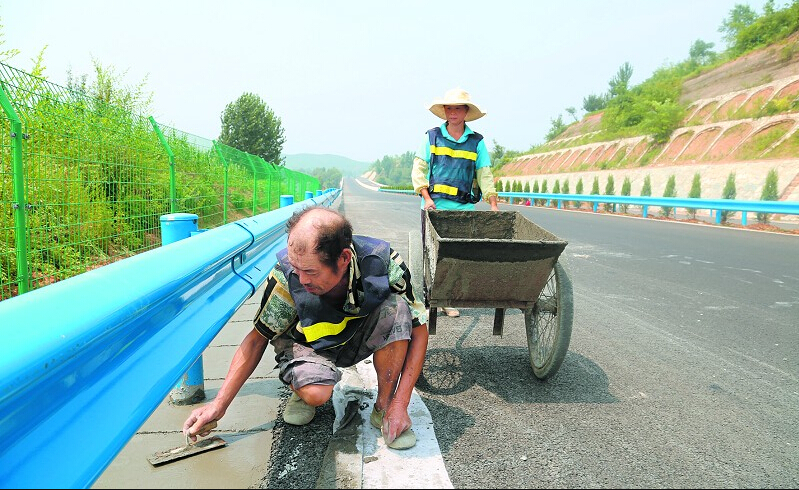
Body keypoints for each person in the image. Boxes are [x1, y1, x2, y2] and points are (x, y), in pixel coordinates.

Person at [183, 206, 429, 450]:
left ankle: (385, 407)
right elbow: (256, 339)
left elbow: (420, 330)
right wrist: (219, 405)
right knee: (317, 394)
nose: (301, 280)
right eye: (296, 268)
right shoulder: (285, 275)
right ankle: (303, 385)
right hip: (307, 344)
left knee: (398, 309)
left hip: (354, 337)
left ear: (343, 258)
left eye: (310, 271)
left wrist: (401, 403)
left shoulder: (384, 264)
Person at [411, 87, 500, 317]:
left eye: (457, 108)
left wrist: (493, 203)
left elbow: (484, 173)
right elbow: (419, 169)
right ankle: (431, 297)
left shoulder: (476, 142)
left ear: (465, 112)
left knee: (456, 256)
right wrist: (427, 198)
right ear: (445, 111)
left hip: (463, 208)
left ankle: (447, 299)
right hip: (434, 207)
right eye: (449, 108)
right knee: (433, 256)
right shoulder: (431, 137)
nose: (453, 112)